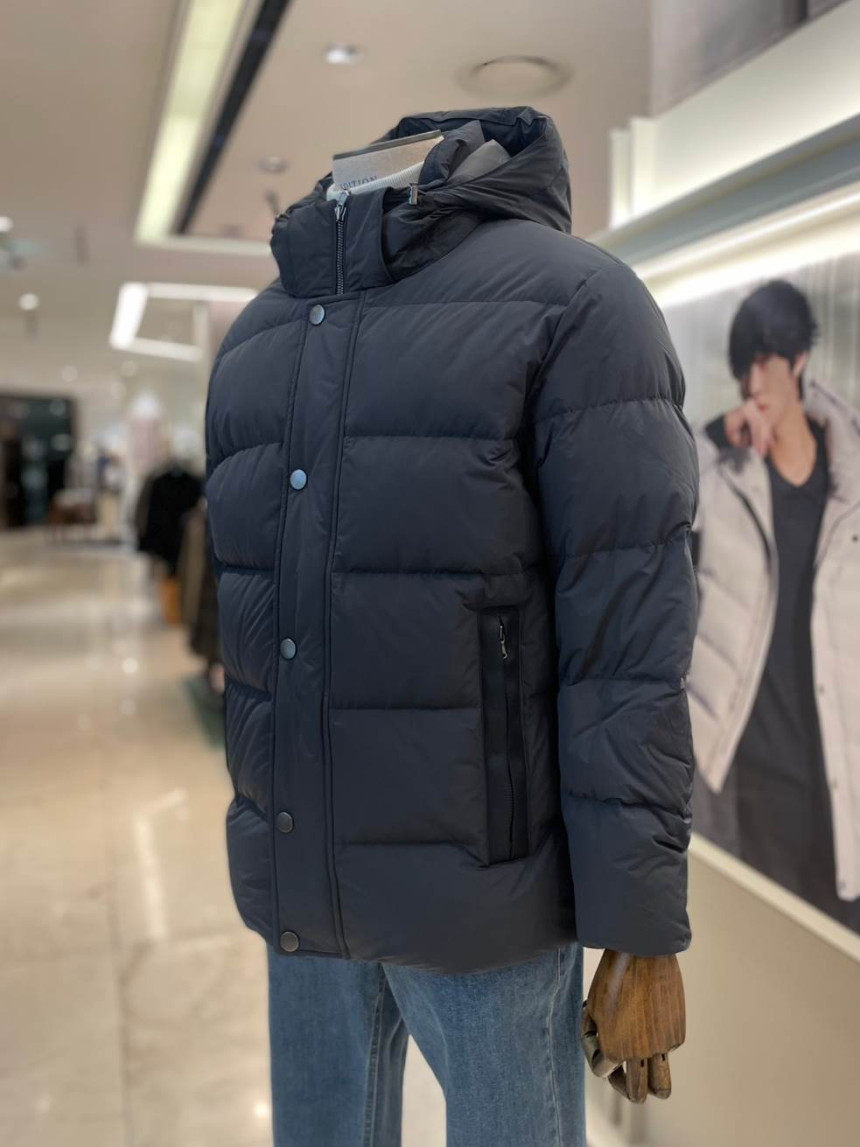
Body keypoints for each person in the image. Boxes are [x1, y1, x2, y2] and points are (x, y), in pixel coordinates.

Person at [204, 106, 699, 1144]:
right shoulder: (257, 340)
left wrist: (640, 924)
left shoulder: (576, 305)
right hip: (304, 873)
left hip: (486, 894)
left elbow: (626, 646)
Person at [687, 279, 860, 932]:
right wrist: (711, 436)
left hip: (839, 783)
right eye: (744, 366)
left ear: (799, 360)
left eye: (766, 361)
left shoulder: (850, 489)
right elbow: (649, 502)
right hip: (747, 783)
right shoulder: (722, 475)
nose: (753, 382)